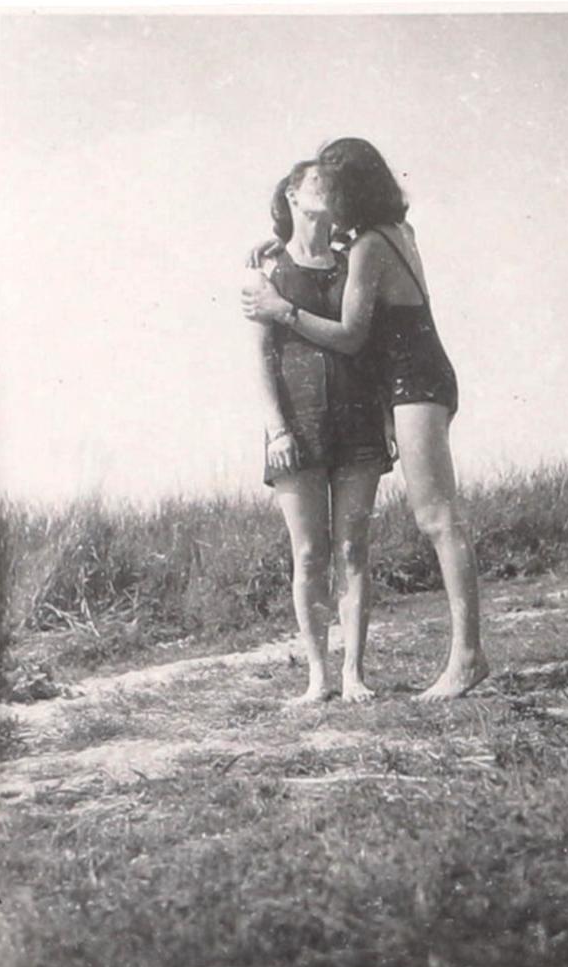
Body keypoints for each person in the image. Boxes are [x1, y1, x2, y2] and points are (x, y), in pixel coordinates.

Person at [242, 138, 489, 701]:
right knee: (437, 517)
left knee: (437, 518)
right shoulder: (394, 234)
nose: (328, 195)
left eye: (335, 184)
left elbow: (353, 336)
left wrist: (284, 310)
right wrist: (281, 244)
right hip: (421, 376)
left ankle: (468, 658)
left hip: (412, 381)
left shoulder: (371, 247)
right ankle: (465, 654)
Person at [243, 159, 392, 705]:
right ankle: (317, 677)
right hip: (296, 426)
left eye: (334, 184)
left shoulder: (354, 261)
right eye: (314, 183)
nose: (326, 189)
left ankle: (354, 674)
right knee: (309, 555)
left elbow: (369, 347)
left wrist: (386, 419)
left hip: (357, 423)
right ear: (291, 195)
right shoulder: (268, 267)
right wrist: (276, 429)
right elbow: (259, 357)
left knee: (354, 549)